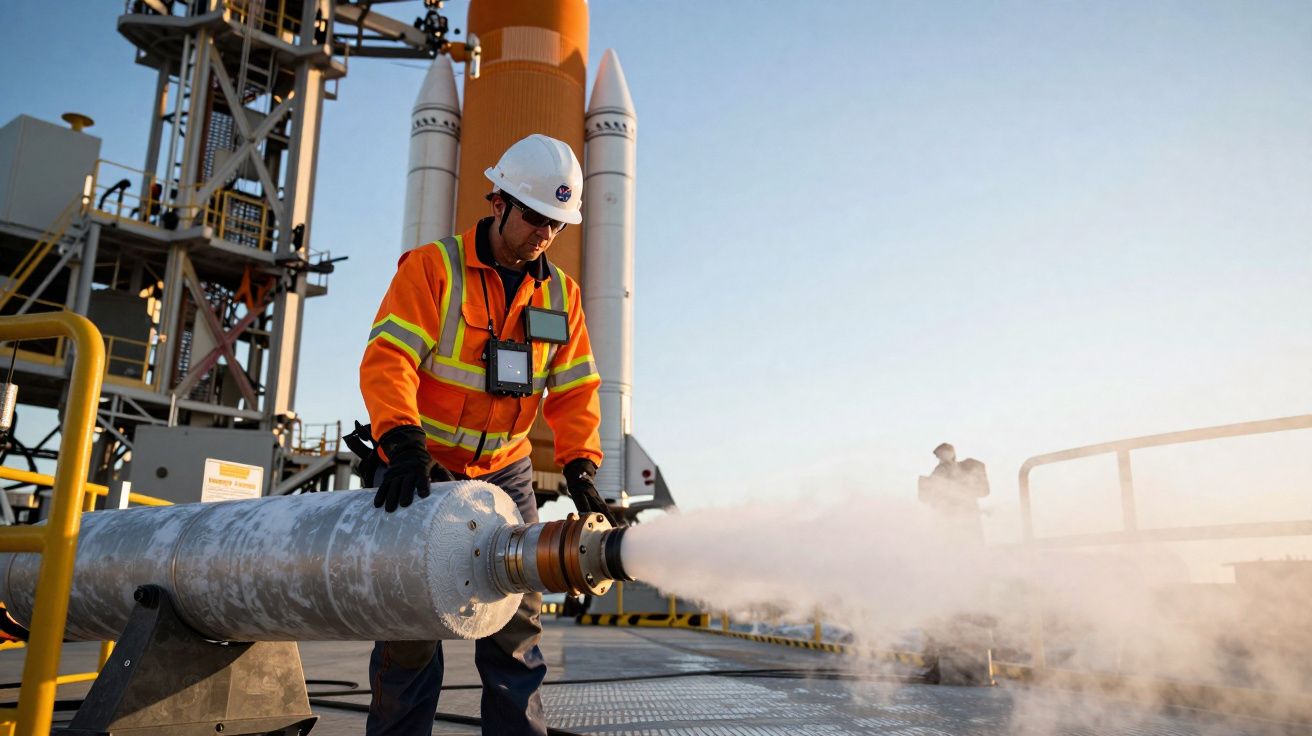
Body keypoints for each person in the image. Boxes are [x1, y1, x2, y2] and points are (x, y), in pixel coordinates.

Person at [358, 134, 614, 735]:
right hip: (424, 470)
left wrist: (580, 467)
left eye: (556, 224)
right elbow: (388, 360)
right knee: (413, 634)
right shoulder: (433, 269)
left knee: (517, 632)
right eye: (533, 218)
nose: (543, 236)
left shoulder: (562, 296)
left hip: (506, 471)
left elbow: (576, 390)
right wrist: (401, 441)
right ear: (498, 202)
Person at [917, 443, 989, 536]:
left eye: (940, 456)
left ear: (950, 454)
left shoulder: (950, 469)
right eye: (939, 457)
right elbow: (928, 494)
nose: (940, 460)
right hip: (955, 517)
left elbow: (983, 491)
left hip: (962, 517)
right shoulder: (942, 469)